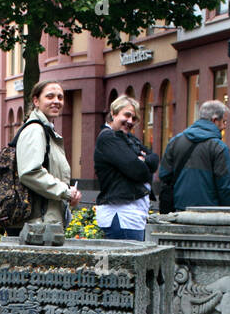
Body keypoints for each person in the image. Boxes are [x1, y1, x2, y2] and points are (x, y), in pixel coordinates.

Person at [17, 80, 81, 229]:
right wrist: (65, 191)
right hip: (38, 225)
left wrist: (68, 193)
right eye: (50, 96)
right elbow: (30, 172)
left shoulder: (47, 132)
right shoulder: (35, 130)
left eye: (60, 97)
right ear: (36, 101)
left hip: (45, 223)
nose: (56, 101)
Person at [94, 95, 159, 241]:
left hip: (132, 216)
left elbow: (154, 159)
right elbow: (139, 171)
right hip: (122, 216)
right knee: (126, 263)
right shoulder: (108, 138)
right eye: (127, 115)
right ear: (113, 113)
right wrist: (141, 162)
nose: (130, 121)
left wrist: (143, 160)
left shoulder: (128, 138)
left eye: (134, 118)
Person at [158, 99, 230, 212]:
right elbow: (226, 187)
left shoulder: (175, 141)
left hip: (178, 212)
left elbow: (164, 175)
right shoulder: (219, 147)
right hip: (209, 216)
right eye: (224, 122)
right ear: (215, 120)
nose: (224, 126)